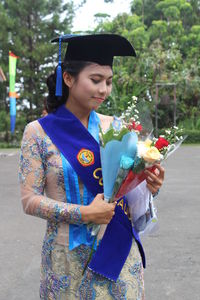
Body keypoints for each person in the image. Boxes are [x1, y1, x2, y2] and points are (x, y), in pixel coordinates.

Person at [19, 34, 165, 300]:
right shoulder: (38, 132)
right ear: (69, 79)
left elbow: (129, 193)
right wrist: (84, 213)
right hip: (66, 259)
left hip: (118, 253)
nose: (103, 90)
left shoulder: (118, 128)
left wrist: (150, 186)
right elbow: (29, 200)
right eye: (95, 80)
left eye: (108, 82)